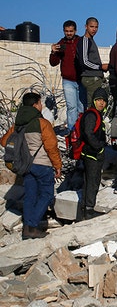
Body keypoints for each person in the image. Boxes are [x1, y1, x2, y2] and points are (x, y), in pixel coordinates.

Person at [1, 92, 62, 239]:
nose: (41, 106)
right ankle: (32, 225)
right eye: (40, 103)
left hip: (26, 166)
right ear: (35, 105)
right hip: (43, 165)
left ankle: (27, 229)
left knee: (30, 196)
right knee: (47, 195)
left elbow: (4, 142)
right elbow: (51, 146)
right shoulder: (42, 123)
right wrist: (58, 166)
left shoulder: (18, 125)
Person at [49, 20, 85, 131]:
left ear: (75, 31)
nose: (69, 33)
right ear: (63, 31)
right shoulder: (61, 44)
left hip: (81, 79)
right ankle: (72, 131)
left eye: (71, 31)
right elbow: (53, 63)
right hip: (68, 80)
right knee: (71, 107)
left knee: (82, 107)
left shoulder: (81, 41)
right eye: (66, 31)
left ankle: (82, 130)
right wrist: (53, 52)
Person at [79, 88, 108, 220]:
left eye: (104, 101)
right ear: (94, 101)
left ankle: (85, 209)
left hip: (91, 153)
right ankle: (89, 210)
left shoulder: (95, 114)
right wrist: (99, 147)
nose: (101, 103)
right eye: (98, 100)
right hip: (92, 154)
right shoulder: (92, 115)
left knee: (90, 181)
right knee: (93, 181)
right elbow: (88, 133)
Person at [76, 17, 108, 108]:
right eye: (91, 26)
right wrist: (100, 67)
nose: (94, 29)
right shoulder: (85, 40)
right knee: (93, 105)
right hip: (90, 78)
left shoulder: (91, 40)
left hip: (94, 77)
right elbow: (84, 61)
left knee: (95, 105)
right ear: (86, 27)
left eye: (96, 27)